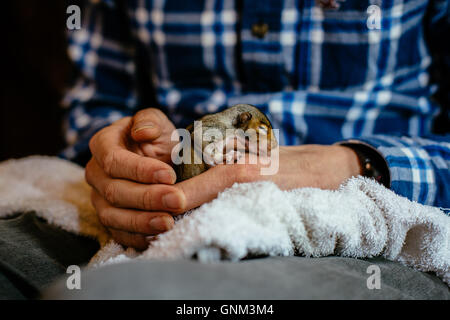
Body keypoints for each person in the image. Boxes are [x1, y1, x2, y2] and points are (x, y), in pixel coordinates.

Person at [3, 0, 450, 299]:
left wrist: (358, 164)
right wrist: (125, 154)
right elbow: (97, 110)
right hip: (154, 216)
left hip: (364, 227)